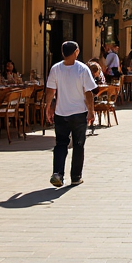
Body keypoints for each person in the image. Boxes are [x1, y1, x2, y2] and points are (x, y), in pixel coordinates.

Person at [45, 41, 96, 188]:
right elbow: (88, 93)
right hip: (79, 113)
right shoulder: (82, 69)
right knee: (78, 145)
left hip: (61, 113)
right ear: (76, 52)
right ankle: (76, 176)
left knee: (61, 143)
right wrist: (91, 111)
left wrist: (48, 107)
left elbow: (50, 90)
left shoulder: (56, 69)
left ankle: (58, 173)